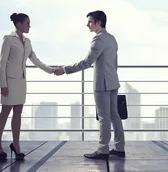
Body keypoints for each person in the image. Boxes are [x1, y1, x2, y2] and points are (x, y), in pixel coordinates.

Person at [53, 10, 125, 160]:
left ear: (98, 23)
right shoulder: (112, 38)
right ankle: (119, 148)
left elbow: (86, 62)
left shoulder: (98, 40)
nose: (87, 25)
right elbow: (115, 64)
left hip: (102, 84)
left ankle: (103, 149)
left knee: (104, 117)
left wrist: (64, 69)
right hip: (113, 81)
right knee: (114, 116)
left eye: (90, 22)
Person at [0, 13, 55, 160]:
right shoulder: (8, 39)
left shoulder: (27, 41)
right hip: (9, 81)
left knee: (18, 112)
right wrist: (3, 84)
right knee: (5, 111)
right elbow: (2, 64)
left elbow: (35, 59)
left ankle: (16, 145)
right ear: (19, 24)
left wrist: (51, 70)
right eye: (27, 23)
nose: (29, 26)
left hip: (21, 81)